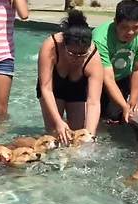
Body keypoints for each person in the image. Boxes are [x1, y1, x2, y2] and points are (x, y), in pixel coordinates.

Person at [36, 10, 103, 145]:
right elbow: (46, 88)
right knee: (55, 134)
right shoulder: (51, 46)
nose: (76, 58)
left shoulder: (93, 57)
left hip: (77, 89)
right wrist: (59, 122)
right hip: (53, 88)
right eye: (72, 53)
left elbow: (94, 102)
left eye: (81, 54)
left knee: (79, 136)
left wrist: (90, 135)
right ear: (64, 45)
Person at [92, 0, 138, 123]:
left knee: (117, 116)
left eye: (136, 27)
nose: (130, 32)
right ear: (115, 22)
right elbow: (107, 77)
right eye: (125, 27)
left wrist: (132, 102)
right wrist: (124, 106)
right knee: (97, 115)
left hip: (123, 77)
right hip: (98, 78)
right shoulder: (100, 37)